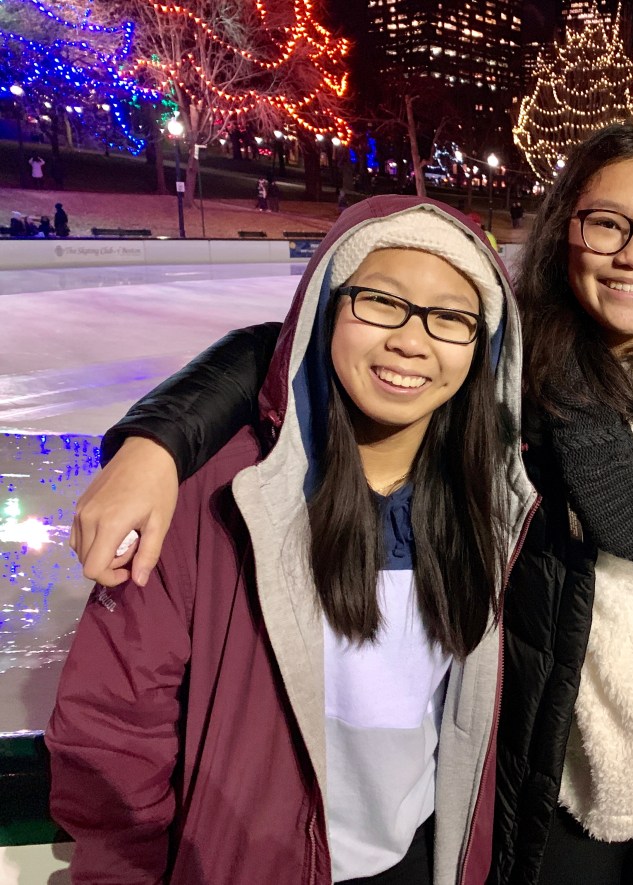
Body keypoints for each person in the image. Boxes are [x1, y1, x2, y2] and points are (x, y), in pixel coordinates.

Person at [68, 125, 633, 884]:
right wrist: (159, 439)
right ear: (566, 232)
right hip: (547, 784)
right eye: (607, 222)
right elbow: (292, 345)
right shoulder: (516, 388)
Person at [47, 195, 535, 885]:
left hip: (418, 860)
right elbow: (114, 727)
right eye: (380, 302)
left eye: (451, 317)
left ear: (483, 346)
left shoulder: (496, 506)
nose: (411, 340)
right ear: (326, 310)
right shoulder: (216, 498)